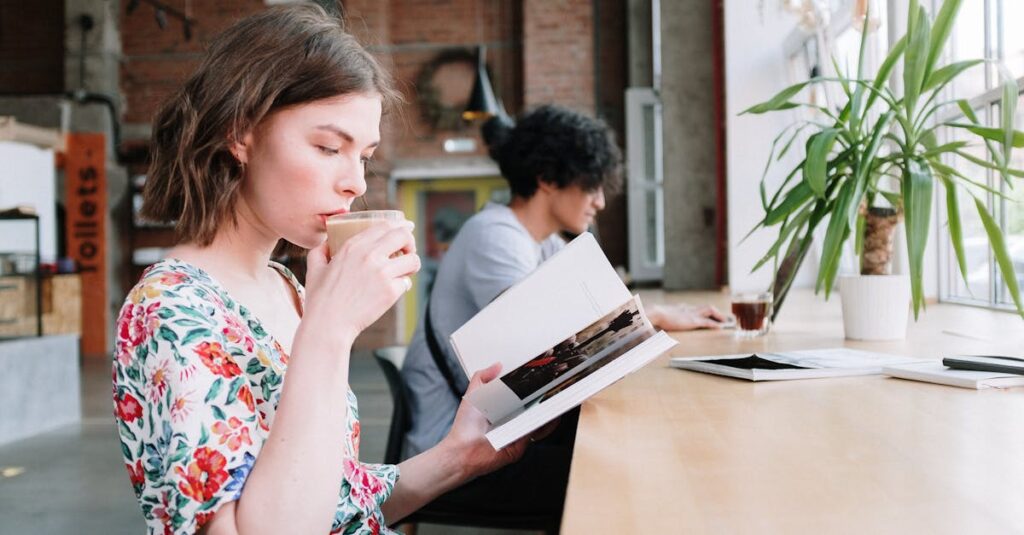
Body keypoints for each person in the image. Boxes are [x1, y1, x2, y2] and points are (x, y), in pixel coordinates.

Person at [111, 6, 537, 534]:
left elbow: (333, 506)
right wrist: (331, 329)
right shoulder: (170, 308)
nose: (356, 182)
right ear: (239, 133)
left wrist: (462, 455)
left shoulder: (285, 286)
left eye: (364, 157)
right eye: (329, 147)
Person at [400, 105, 729, 520]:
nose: (601, 201)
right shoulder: (495, 236)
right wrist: (655, 316)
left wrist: (653, 315)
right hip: (450, 453)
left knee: (622, 449)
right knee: (620, 470)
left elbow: (590, 318)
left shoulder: (545, 244)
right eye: (592, 184)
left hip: (495, 434)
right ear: (547, 177)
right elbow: (550, 345)